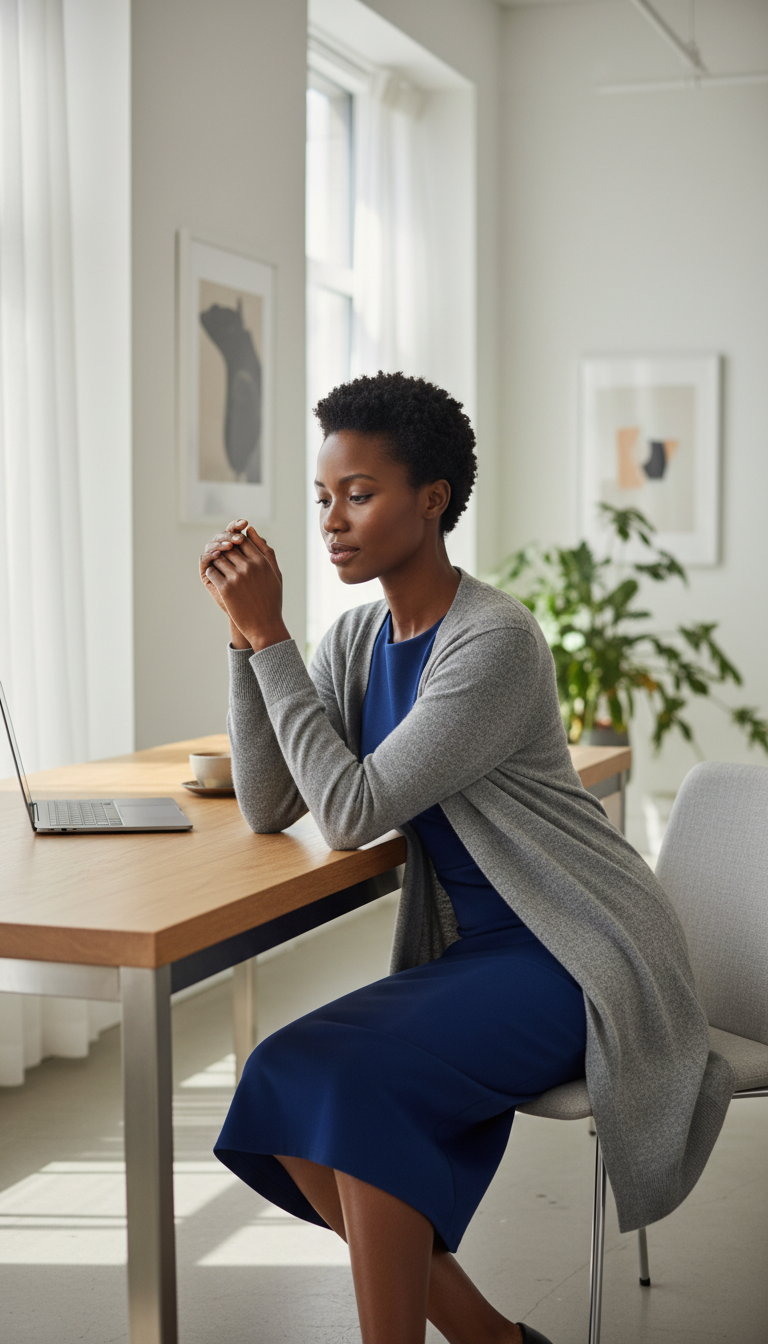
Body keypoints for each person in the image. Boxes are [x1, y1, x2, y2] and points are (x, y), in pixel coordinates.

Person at [199, 372, 732, 1344]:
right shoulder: (359, 639)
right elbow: (273, 799)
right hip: (476, 956)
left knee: (354, 1090)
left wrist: (273, 632)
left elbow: (351, 810)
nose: (333, 521)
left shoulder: (494, 642)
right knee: (282, 1073)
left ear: (433, 498)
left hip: (572, 948)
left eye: (359, 494)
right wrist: (246, 643)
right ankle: (493, 1338)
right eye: (323, 498)